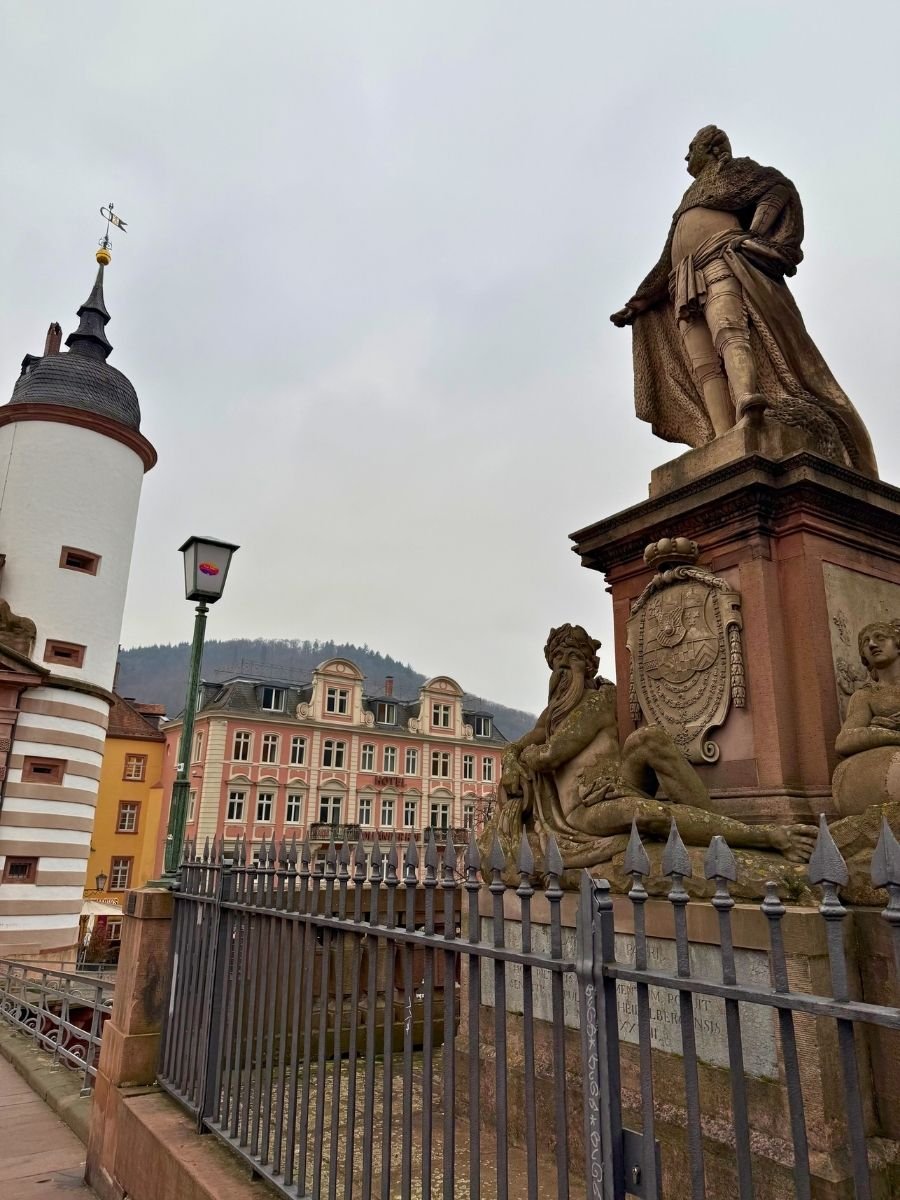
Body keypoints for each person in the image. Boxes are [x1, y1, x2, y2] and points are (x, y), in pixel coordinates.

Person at [610, 126, 877, 476]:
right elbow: (666, 260)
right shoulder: (690, 196)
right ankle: (722, 435)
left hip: (721, 259)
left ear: (714, 148)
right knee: (701, 361)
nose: (687, 157)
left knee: (729, 329)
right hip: (682, 279)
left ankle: (750, 402)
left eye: (692, 149)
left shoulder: (735, 172)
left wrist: (755, 236)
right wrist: (640, 302)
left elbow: (777, 189)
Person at [496, 623, 815, 869]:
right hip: (584, 809)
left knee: (648, 738)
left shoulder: (603, 698)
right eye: (557, 662)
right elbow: (528, 749)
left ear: (590, 666)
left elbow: (551, 753)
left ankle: (722, 830)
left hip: (614, 787)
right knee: (652, 814)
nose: (563, 669)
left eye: (573, 659)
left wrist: (531, 754)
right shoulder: (550, 716)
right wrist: (513, 759)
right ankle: (761, 836)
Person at [833, 619, 900, 815]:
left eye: (880, 637)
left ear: (898, 645)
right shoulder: (866, 695)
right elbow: (844, 741)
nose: (871, 644)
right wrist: (886, 733)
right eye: (865, 642)